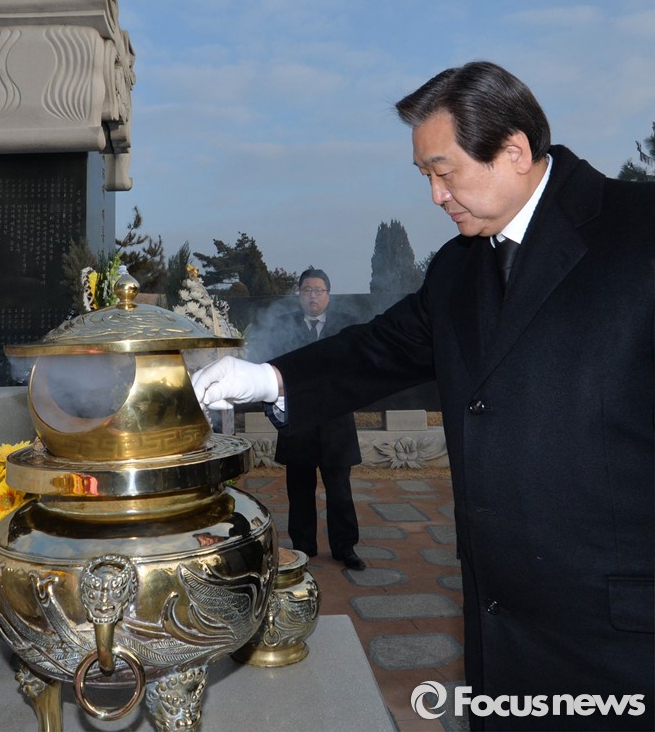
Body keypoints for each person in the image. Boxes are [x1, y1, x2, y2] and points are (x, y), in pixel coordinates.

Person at [194, 61, 654, 732]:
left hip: (621, 636)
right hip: (502, 630)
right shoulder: (459, 267)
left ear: (514, 151)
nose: (436, 196)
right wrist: (267, 379)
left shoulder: (638, 231)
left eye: (445, 172)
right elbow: (378, 348)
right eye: (425, 176)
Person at [265, 268, 364, 570]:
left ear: (328, 296)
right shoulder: (283, 327)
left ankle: (345, 547)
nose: (313, 296)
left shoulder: (347, 325)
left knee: (340, 491)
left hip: (336, 423)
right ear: (299, 295)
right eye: (307, 290)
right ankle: (303, 548)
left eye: (319, 291)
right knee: (299, 491)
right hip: (299, 423)